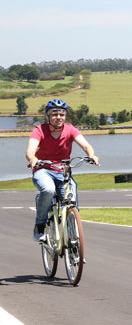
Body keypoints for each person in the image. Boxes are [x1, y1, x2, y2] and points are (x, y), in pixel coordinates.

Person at [26, 99, 99, 242]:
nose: (58, 117)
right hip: (43, 169)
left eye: (62, 114)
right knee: (48, 190)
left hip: (62, 171)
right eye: (54, 114)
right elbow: (30, 151)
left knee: (71, 201)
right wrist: (33, 159)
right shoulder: (39, 130)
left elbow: (86, 146)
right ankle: (40, 225)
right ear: (48, 116)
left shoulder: (70, 129)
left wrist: (91, 155)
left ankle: (73, 238)